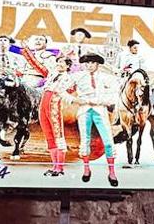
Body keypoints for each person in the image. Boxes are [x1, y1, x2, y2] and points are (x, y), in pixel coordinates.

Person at [68, 53, 120, 187]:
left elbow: (115, 93)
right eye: (88, 63)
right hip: (84, 110)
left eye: (92, 63)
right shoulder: (78, 76)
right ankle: (86, 169)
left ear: (97, 64)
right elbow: (61, 89)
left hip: (99, 110)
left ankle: (112, 172)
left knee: (108, 141)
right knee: (85, 140)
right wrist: (74, 99)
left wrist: (101, 100)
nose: (90, 65)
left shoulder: (105, 78)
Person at [38, 55, 74, 177]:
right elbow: (38, 66)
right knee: (49, 136)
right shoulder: (52, 75)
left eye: (62, 62)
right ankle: (54, 166)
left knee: (58, 136)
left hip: (54, 107)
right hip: (43, 106)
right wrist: (25, 51)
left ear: (68, 66)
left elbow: (66, 92)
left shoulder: (69, 78)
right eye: (58, 62)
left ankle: (60, 167)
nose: (59, 64)